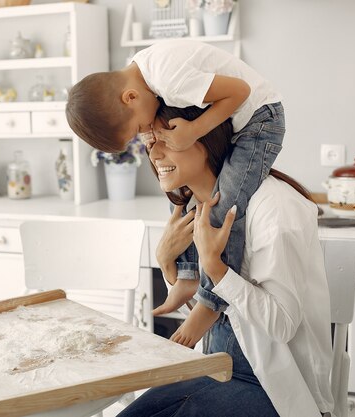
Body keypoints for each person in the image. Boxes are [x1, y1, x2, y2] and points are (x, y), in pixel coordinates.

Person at [116, 103, 334, 417]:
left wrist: (216, 268)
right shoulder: (193, 206)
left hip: (273, 386)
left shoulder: (275, 208)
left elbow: (282, 325)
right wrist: (166, 262)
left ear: (205, 138)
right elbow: (211, 311)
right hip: (214, 366)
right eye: (151, 143)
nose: (154, 154)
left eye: (165, 140)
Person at [66, 40, 285, 335]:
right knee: (182, 199)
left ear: (130, 97)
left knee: (224, 206)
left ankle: (210, 303)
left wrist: (194, 130)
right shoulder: (142, 74)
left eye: (137, 130)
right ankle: (187, 275)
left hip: (260, 118)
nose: (145, 135)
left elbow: (240, 92)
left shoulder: (169, 80)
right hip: (237, 114)